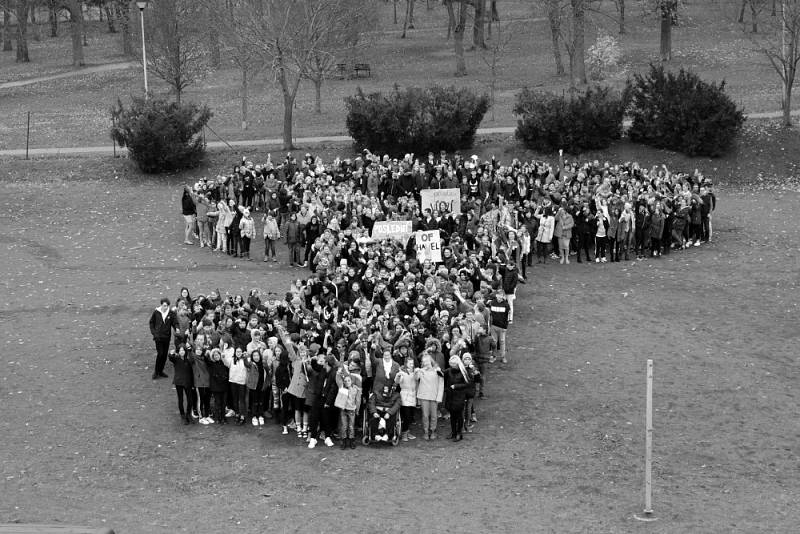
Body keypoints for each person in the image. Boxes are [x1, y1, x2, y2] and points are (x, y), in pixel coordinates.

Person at [149, 297, 176, 380]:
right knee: (160, 353)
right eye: (164, 305)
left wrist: (177, 328)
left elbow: (174, 323)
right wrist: (154, 333)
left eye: (167, 306)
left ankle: (161, 371)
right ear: (161, 305)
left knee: (164, 355)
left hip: (166, 337)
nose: (166, 307)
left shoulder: (171, 313)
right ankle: (156, 371)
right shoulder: (156, 312)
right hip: (158, 338)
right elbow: (151, 322)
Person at [444, 355, 469, 442]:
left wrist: (456, 386)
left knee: (459, 416)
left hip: (459, 396)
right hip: (450, 396)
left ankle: (459, 433)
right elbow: (442, 375)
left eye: (453, 364)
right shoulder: (449, 371)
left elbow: (466, 384)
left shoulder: (463, 371)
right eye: (451, 364)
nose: (452, 366)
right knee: (452, 416)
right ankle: (453, 432)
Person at [168, 345, 195, 425]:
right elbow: (171, 358)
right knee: (181, 399)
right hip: (179, 382)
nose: (182, 352)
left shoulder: (188, 359)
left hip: (188, 382)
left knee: (190, 399)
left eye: (183, 350)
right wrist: (170, 353)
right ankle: (183, 415)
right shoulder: (176, 359)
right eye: (180, 350)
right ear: (178, 352)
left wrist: (190, 350)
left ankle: (188, 414)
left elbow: (192, 361)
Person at [395, 356, 418, 441]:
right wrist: (398, 376)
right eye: (410, 363)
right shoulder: (402, 372)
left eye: (412, 363)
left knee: (411, 416)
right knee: (406, 416)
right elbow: (397, 381)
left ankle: (407, 431)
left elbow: (417, 378)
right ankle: (404, 433)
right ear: (406, 364)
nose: (412, 365)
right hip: (405, 395)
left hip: (413, 395)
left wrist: (417, 372)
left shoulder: (414, 371)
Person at [487, 289, 510, 364]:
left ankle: (503, 357)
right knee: (494, 342)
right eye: (498, 295)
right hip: (493, 326)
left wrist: (505, 327)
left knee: (502, 342)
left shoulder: (506, 305)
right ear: (496, 295)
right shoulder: (492, 303)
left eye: (501, 295)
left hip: (502, 327)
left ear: (503, 296)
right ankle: (493, 356)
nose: (500, 297)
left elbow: (508, 317)